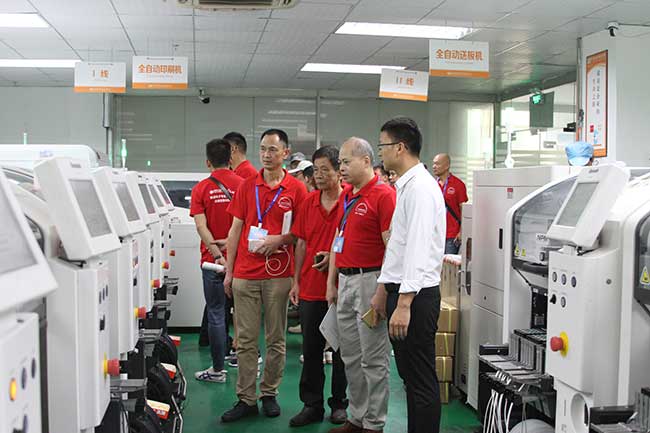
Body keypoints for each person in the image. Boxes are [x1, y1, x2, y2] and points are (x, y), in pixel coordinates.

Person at [222, 129, 308, 422]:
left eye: (272, 149)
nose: (266, 155)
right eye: (263, 149)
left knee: (275, 339)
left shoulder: (296, 190)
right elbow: (235, 230)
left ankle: (269, 393)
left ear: (285, 153)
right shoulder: (247, 186)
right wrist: (229, 271)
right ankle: (246, 398)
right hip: (246, 274)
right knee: (246, 340)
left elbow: (301, 235)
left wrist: (280, 242)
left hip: (279, 274)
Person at [378, 117, 446, 433]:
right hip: (404, 292)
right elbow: (399, 248)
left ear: (400, 148)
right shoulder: (407, 186)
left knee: (420, 378)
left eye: (383, 145)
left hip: (416, 298)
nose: (381, 152)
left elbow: (418, 249)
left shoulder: (419, 189)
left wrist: (404, 303)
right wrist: (385, 291)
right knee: (410, 376)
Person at [326, 137, 396, 433]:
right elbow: (337, 239)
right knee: (351, 357)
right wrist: (331, 282)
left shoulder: (384, 196)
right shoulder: (347, 195)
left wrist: (382, 291)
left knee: (373, 358)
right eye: (340, 162)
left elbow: (392, 249)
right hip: (345, 281)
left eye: (345, 162)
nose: (340, 168)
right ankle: (356, 417)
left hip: (370, 282)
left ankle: (374, 423)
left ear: (366, 161)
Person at [289, 146, 348, 427]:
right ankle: (311, 405)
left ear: (339, 171)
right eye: (316, 170)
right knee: (311, 349)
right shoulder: (308, 202)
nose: (319, 175)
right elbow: (300, 242)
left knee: (341, 349)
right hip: (311, 287)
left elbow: (351, 239)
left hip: (342, 286)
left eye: (326, 169)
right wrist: (296, 281)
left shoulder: (349, 201)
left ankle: (339, 403)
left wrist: (334, 258)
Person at [190, 138, 244, 383]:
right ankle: (246, 365)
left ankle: (217, 370)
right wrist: (231, 255)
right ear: (230, 159)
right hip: (242, 262)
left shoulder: (201, 189)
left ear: (208, 162)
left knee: (216, 313)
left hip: (212, 264)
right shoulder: (244, 185)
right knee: (244, 314)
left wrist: (218, 256)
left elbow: (201, 227)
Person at [432, 153, 467, 254]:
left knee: (448, 263)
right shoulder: (432, 185)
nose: (434, 166)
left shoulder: (458, 184)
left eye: (437, 164)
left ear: (447, 166)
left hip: (451, 235)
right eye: (433, 164)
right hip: (434, 234)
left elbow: (464, 211)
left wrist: (461, 232)